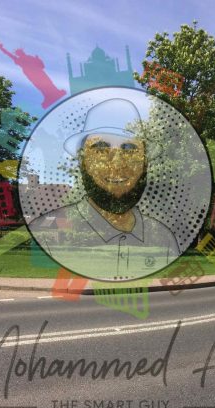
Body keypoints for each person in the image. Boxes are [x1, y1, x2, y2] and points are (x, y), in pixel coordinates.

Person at [29, 98, 177, 281]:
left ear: (144, 163)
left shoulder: (166, 238)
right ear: (82, 161)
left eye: (130, 148)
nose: (117, 163)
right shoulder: (43, 238)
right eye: (100, 149)